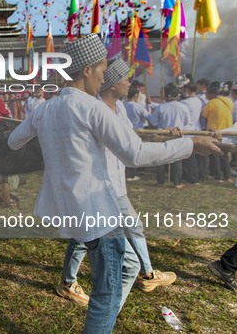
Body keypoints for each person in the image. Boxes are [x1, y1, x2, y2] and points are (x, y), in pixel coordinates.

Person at [7, 34, 222, 333]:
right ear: (87, 70)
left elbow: (13, 141)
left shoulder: (44, 109)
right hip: (97, 213)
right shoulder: (91, 108)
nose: (104, 76)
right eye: (102, 69)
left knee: (123, 271)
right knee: (105, 296)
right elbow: (135, 153)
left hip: (69, 208)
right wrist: (190, 145)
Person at [56, 58, 177, 308]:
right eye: (126, 79)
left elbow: (132, 140)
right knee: (111, 233)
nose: (130, 84)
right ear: (112, 84)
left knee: (90, 236)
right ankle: (144, 276)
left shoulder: (119, 109)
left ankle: (71, 282)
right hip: (100, 187)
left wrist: (165, 136)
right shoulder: (93, 109)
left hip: (115, 185)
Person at [149, 83, 192, 188]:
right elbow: (188, 123)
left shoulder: (161, 107)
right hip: (178, 135)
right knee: (177, 159)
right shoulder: (184, 107)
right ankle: (177, 182)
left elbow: (153, 121)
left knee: (161, 158)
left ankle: (160, 181)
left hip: (164, 135)